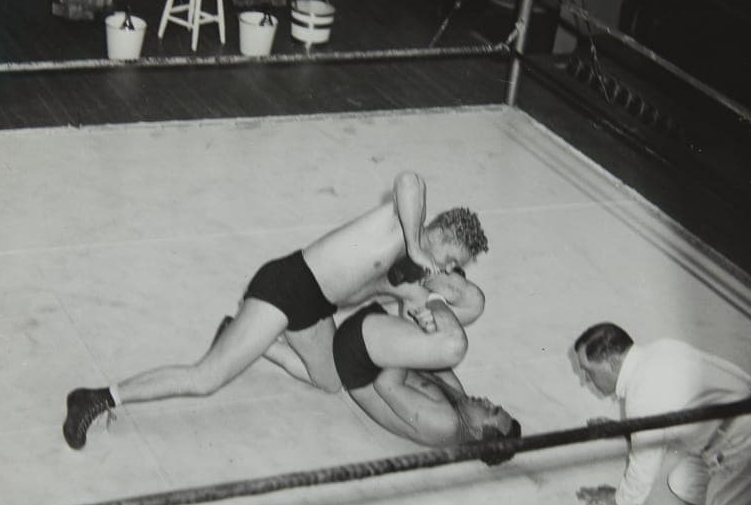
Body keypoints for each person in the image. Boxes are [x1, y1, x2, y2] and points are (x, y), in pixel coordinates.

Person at [63, 170, 489, 449]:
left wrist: (426, 303)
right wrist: (415, 245)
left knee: (329, 380)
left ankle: (246, 337)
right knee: (207, 379)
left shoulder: (413, 274)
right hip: (287, 287)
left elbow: (452, 308)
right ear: (440, 231)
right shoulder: (404, 222)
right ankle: (98, 397)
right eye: (452, 257)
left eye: (454, 267)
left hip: (316, 305)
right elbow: (410, 179)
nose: (448, 268)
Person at [571, 322, 751, 505]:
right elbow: (666, 418)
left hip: (745, 444)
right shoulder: (659, 351)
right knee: (681, 482)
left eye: (589, 371)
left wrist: (620, 499)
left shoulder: (642, 396)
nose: (585, 380)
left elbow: (645, 462)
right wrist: (627, 429)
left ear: (613, 363)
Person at [331, 272, 520, 457]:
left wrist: (426, 329)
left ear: (478, 432)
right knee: (472, 304)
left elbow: (386, 385)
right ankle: (406, 280)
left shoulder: (445, 425)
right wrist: (428, 330)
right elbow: (434, 357)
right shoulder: (459, 399)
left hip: (357, 356)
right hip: (378, 347)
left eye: (490, 410)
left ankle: (403, 279)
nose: (487, 400)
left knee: (452, 342)